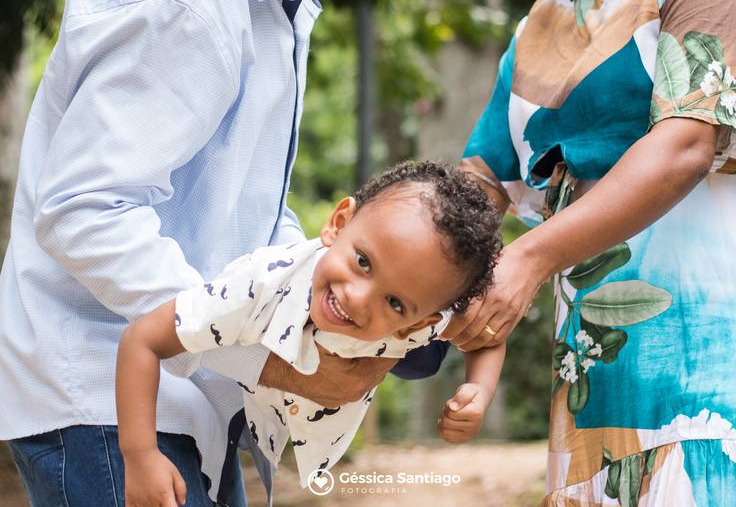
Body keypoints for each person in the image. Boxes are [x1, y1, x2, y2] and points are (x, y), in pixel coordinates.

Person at [0, 0, 437, 505]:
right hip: (104, 399)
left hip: (193, 393)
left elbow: (243, 212)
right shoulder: (189, 7)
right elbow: (84, 211)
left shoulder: (276, 10)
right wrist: (271, 363)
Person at [439, 0, 736, 504]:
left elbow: (685, 145)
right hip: (588, 382)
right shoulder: (541, 22)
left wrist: (527, 260)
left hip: (716, 359)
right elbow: (477, 189)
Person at [115, 161, 506, 506]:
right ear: (338, 224)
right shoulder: (258, 288)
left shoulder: (421, 316)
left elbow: (487, 333)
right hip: (232, 402)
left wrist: (479, 391)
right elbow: (143, 339)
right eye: (363, 262)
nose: (357, 298)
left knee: (419, 360)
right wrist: (140, 454)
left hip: (338, 385)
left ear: (419, 322)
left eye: (394, 302)